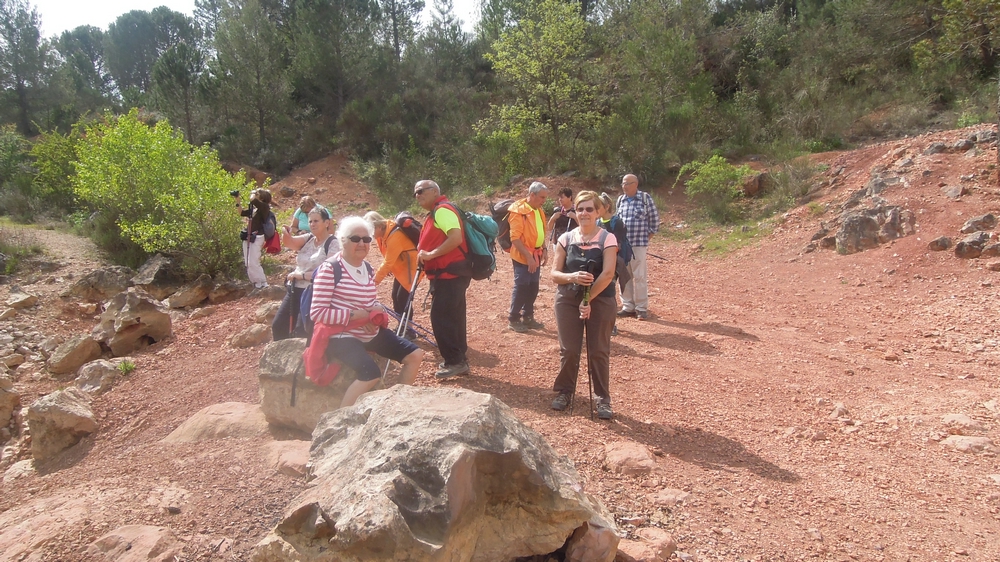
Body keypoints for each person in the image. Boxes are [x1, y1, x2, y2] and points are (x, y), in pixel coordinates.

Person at [309, 216, 424, 408]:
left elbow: (369, 300)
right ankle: (339, 421)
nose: (362, 243)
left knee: (415, 355)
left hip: (368, 330)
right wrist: (356, 315)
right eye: (355, 239)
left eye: (366, 239)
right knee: (370, 374)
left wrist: (375, 310)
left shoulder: (367, 268)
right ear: (342, 240)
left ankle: (396, 408)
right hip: (341, 335)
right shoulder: (330, 269)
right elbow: (318, 313)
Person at [550, 191, 618, 420]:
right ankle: (565, 391)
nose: (585, 213)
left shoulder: (607, 238)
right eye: (580, 209)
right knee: (569, 349)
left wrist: (588, 300)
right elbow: (554, 273)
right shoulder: (566, 238)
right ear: (575, 212)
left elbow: (608, 273)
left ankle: (602, 398)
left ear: (599, 212)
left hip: (601, 299)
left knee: (598, 350)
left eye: (590, 209)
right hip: (568, 299)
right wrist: (572, 278)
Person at [414, 180, 471, 379]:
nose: (417, 195)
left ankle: (454, 361)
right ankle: (459, 358)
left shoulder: (443, 211)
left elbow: (455, 238)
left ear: (434, 191)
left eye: (421, 191)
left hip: (449, 274)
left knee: (441, 318)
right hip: (450, 274)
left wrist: (430, 254)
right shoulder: (437, 212)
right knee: (453, 316)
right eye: (415, 193)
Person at [272, 208, 340, 341]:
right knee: (279, 326)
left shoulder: (333, 244)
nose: (312, 224)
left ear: (326, 223)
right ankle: (282, 358)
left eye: (316, 221)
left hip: (314, 292)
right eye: (310, 221)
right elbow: (290, 242)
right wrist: (286, 233)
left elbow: (327, 272)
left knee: (302, 332)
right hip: (294, 289)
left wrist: (301, 276)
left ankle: (304, 360)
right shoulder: (308, 238)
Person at [364, 211, 419, 340]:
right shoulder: (382, 234)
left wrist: (374, 282)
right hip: (402, 267)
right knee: (395, 295)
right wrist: (391, 266)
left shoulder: (395, 235)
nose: (371, 234)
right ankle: (402, 326)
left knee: (403, 298)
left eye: (371, 230)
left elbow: (388, 262)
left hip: (411, 268)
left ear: (378, 226)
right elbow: (388, 256)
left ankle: (409, 330)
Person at [507, 181, 549, 333]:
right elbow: (515, 238)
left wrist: (544, 248)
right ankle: (513, 318)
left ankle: (528, 317)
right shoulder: (519, 212)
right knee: (522, 285)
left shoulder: (538, 210)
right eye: (542, 197)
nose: (544, 201)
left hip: (535, 254)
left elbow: (541, 231)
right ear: (532, 195)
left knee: (533, 286)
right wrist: (528, 257)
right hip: (522, 256)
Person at [616, 174, 659, 320]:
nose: (624, 186)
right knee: (624, 276)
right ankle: (628, 306)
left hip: (639, 245)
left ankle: (641, 308)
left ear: (636, 184)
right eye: (623, 183)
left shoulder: (645, 199)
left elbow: (654, 222)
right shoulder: (621, 200)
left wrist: (646, 239)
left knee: (639, 276)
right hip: (623, 246)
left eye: (627, 183)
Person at [598, 192, 628, 337]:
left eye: (599, 206)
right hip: (599, 261)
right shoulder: (597, 222)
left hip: (613, 262)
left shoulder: (617, 222)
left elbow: (617, 244)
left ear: (607, 206)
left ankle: (612, 324)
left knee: (610, 292)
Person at [236, 188, 272, 288]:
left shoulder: (264, 207)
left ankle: (263, 282)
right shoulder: (254, 209)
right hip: (248, 236)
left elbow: (252, 199)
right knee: (248, 262)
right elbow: (241, 213)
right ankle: (256, 283)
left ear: (261, 197)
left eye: (257, 193)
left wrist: (252, 194)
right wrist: (237, 200)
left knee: (254, 261)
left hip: (257, 237)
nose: (255, 194)